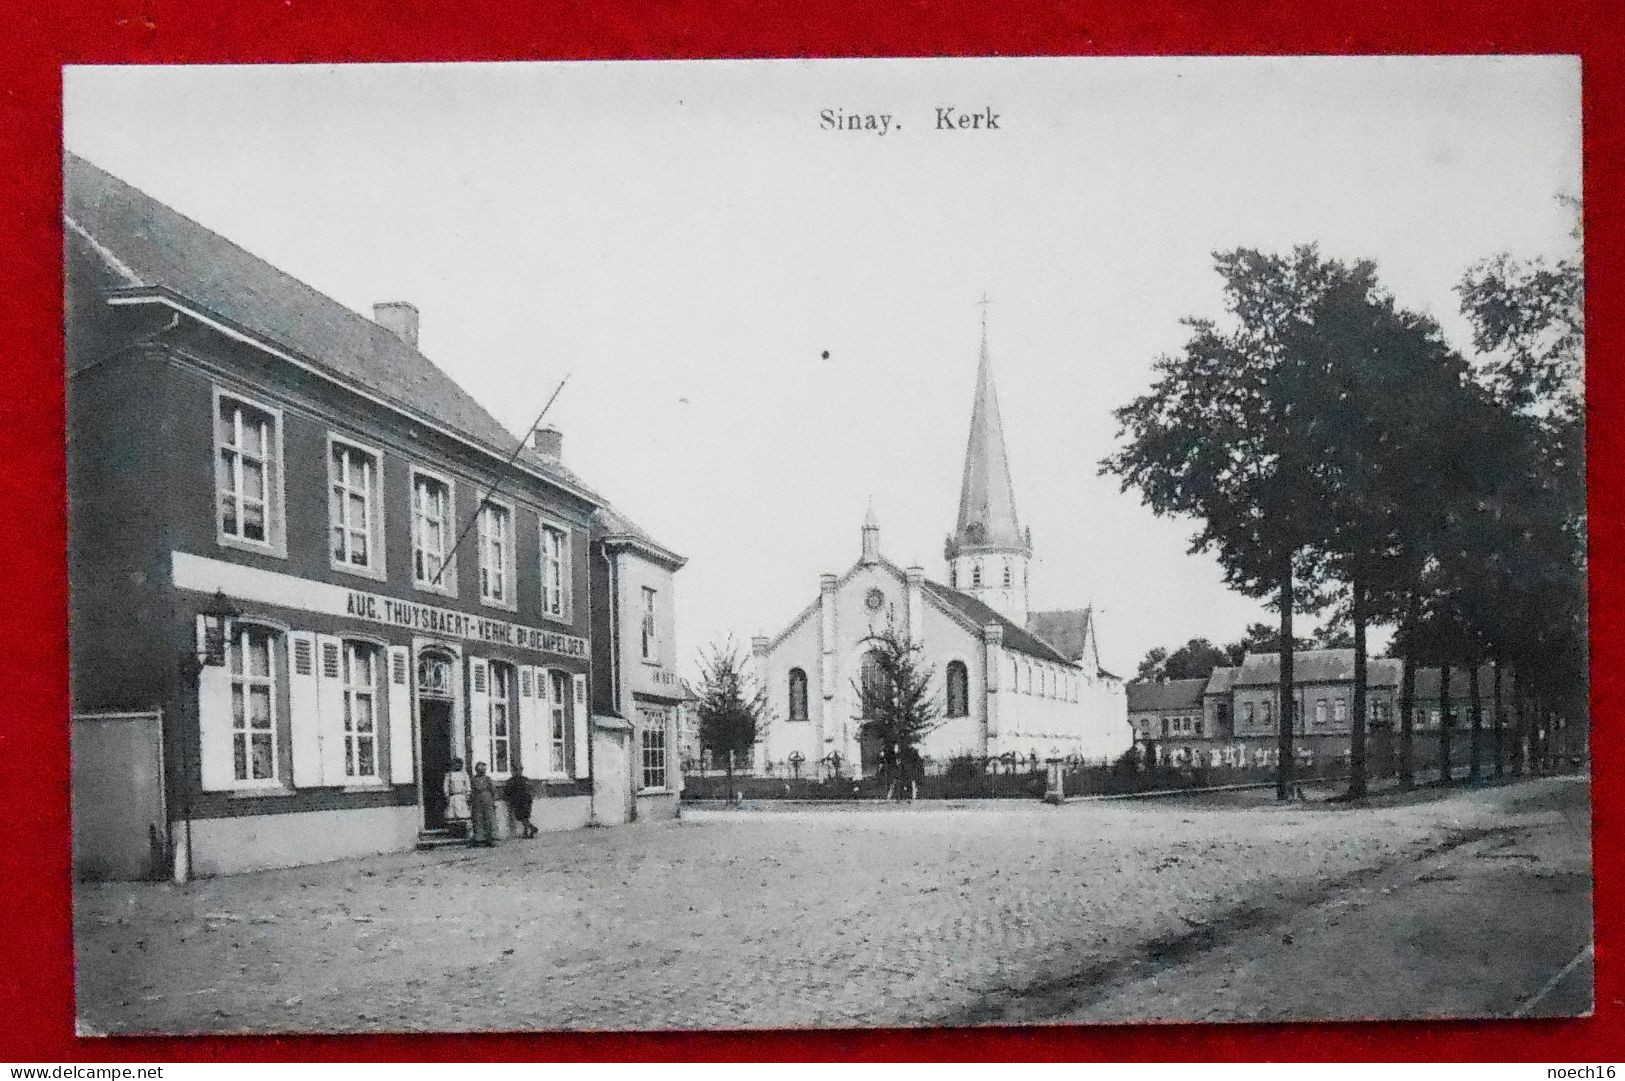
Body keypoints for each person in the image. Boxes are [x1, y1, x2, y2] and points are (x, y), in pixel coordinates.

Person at [503, 768, 538, 838]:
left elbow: (507, 792)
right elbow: (531, 789)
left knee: (521, 817)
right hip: (525, 801)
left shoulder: (511, 781)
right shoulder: (525, 780)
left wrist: (507, 799)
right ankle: (527, 832)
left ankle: (531, 829)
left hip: (519, 802)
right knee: (524, 817)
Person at [469, 761, 498, 847]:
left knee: (489, 819)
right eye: (479, 768)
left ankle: (491, 839)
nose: (481, 770)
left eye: (483, 768)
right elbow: (471, 790)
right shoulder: (473, 779)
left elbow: (493, 790)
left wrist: (493, 801)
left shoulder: (488, 779)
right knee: (478, 819)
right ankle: (480, 839)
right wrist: (471, 801)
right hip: (477, 801)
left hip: (487, 800)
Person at [442, 757, 471, 837]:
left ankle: (463, 833)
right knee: (453, 815)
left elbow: (467, 785)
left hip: (462, 797)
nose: (457, 766)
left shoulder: (464, 774)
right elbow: (446, 786)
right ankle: (454, 833)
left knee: (462, 815)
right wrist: (447, 795)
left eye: (459, 764)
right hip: (453, 797)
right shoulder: (449, 774)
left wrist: (467, 794)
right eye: (455, 764)